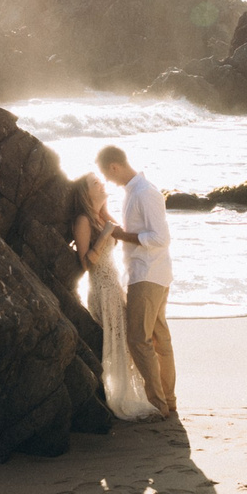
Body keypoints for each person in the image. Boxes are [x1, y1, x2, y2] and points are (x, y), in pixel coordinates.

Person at [95, 144, 177, 419]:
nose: (107, 181)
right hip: (150, 273)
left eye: (107, 175)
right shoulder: (134, 192)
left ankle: (158, 404)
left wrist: (120, 235)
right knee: (157, 339)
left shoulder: (145, 193)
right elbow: (136, 230)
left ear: (115, 167)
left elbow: (159, 238)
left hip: (148, 274)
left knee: (139, 340)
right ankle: (168, 400)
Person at [69, 170, 159, 421]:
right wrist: (106, 234)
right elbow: (86, 263)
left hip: (114, 286)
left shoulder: (102, 217)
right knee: (115, 343)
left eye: (100, 180)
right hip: (101, 290)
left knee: (126, 342)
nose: (102, 184)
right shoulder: (83, 221)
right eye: (95, 183)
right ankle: (117, 398)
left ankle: (131, 394)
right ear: (86, 193)